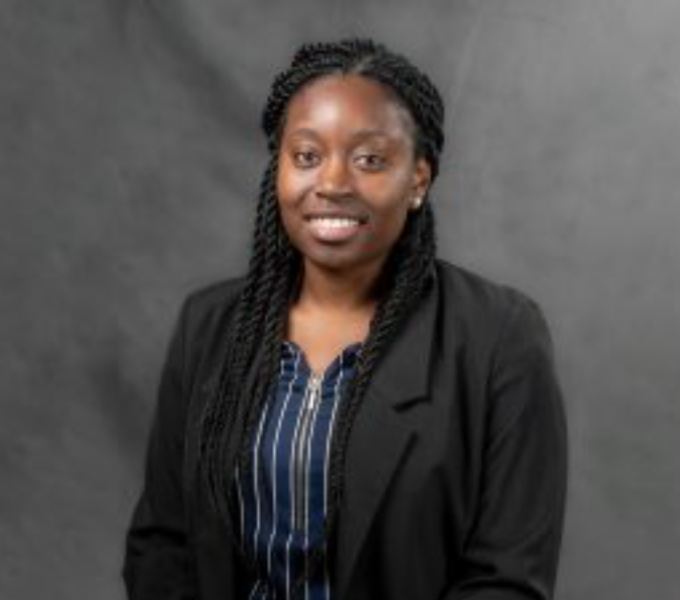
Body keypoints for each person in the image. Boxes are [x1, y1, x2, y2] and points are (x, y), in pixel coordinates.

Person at [122, 38, 567, 600]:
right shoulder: (209, 327)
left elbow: (507, 580)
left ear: (418, 180)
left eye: (369, 160)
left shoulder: (498, 340)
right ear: (278, 170)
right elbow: (164, 544)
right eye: (306, 155)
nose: (331, 184)